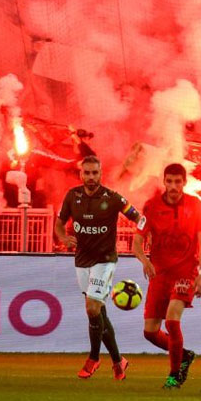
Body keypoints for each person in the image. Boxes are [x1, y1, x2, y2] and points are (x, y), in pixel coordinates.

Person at [55, 155, 144, 380]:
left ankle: (93, 358)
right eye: (87, 173)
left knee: (92, 308)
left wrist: (144, 237)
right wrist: (64, 237)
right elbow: (59, 223)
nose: (91, 177)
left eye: (95, 173)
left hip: (105, 260)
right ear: (81, 174)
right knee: (98, 312)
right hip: (82, 260)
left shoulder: (112, 198)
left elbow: (138, 218)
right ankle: (118, 361)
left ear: (100, 174)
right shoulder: (72, 196)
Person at [132, 163, 201, 389]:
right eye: (170, 181)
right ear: (164, 182)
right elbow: (137, 241)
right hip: (159, 274)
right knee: (150, 332)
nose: (174, 186)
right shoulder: (151, 207)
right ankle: (183, 355)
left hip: (186, 272)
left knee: (173, 321)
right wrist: (145, 260)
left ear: (184, 182)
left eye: (178, 182)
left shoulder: (195, 205)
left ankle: (174, 376)